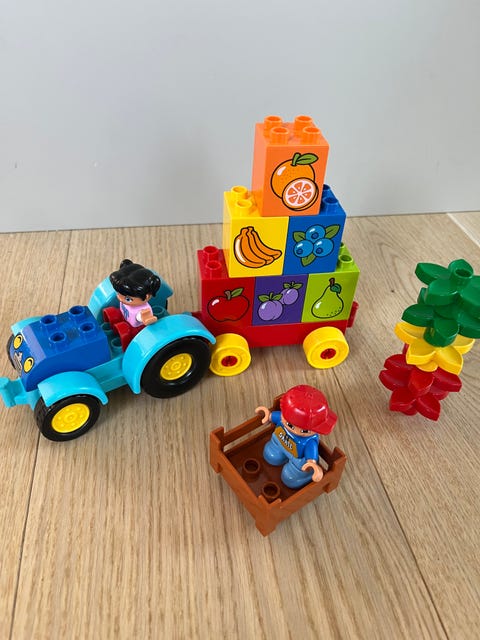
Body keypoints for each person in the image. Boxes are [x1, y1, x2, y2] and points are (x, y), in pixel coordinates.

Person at [256, 384, 337, 489]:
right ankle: (279, 454)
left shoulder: (310, 441)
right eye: (289, 424)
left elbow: (311, 454)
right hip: (279, 443)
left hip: (298, 459)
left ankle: (303, 475)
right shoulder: (283, 418)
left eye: (304, 430)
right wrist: (268, 416)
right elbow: (276, 416)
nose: (294, 429)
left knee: (289, 477)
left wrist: (311, 463)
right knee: (271, 455)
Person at [103, 259, 161, 349]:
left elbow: (147, 319)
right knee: (112, 314)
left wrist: (148, 319)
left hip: (136, 330)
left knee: (124, 333)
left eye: (128, 299)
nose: (120, 298)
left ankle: (127, 346)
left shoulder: (143, 310)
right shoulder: (126, 303)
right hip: (123, 318)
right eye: (118, 294)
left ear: (146, 296)